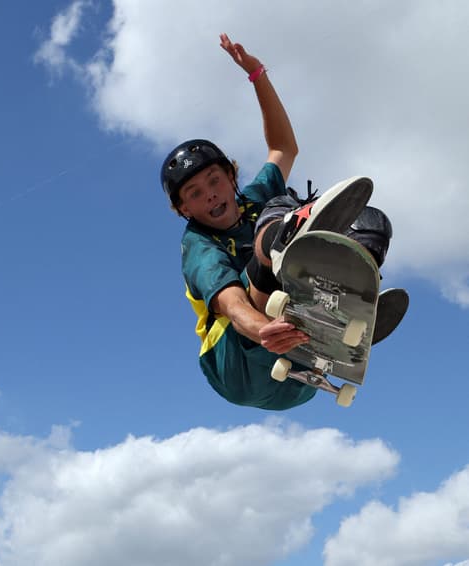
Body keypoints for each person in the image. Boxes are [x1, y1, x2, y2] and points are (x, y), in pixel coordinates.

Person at [159, 34, 394, 410]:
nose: (211, 196)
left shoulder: (253, 195)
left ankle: (349, 290)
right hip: (238, 365)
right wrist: (261, 330)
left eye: (214, 181)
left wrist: (257, 74)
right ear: (184, 209)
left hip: (294, 375)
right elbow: (232, 305)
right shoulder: (197, 244)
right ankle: (283, 246)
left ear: (231, 177)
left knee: (369, 222)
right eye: (195, 194)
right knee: (283, 207)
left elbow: (284, 147)